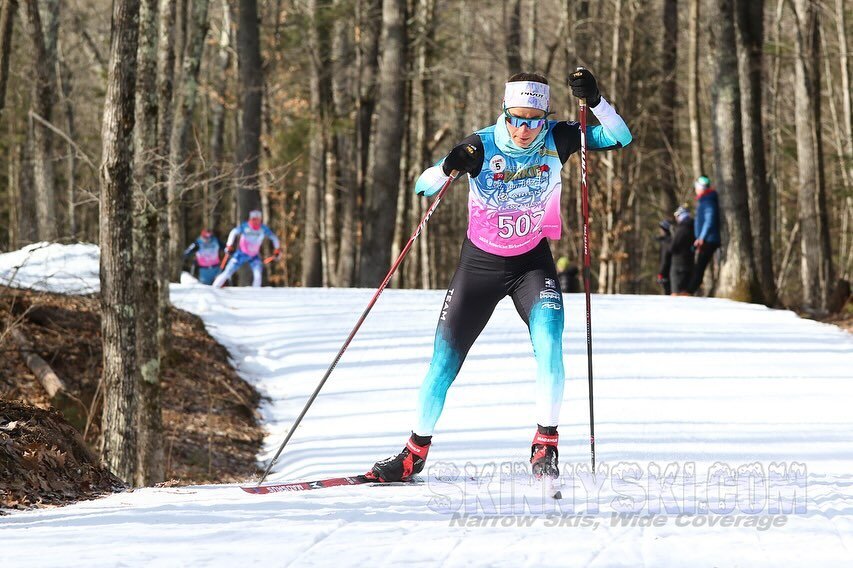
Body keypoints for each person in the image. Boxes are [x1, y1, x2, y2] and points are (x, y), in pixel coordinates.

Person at [367, 69, 632, 482]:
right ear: (503, 113)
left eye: (533, 120)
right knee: (444, 361)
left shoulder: (557, 139)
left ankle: (545, 445)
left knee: (551, 344)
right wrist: (449, 164)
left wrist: (596, 101)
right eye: (516, 119)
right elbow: (423, 186)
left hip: (531, 264)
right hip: (480, 267)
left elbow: (620, 138)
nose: (525, 130)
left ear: (544, 118)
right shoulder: (481, 144)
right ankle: (413, 454)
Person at [212, 210, 281, 288]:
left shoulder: (263, 229)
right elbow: (233, 232)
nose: (256, 222)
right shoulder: (245, 227)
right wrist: (229, 245)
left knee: (258, 275)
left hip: (254, 256)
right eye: (254, 219)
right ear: (250, 219)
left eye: (258, 220)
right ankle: (214, 288)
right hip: (241, 254)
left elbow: (274, 237)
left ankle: (255, 294)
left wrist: (277, 249)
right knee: (228, 272)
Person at [687, 176, 721, 295]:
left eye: (697, 187)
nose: (695, 189)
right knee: (699, 266)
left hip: (709, 239)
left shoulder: (708, 200)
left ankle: (689, 291)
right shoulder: (704, 199)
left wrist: (702, 237)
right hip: (706, 239)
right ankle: (690, 290)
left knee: (700, 266)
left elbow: (709, 219)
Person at [669, 206, 695, 296]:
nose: (676, 219)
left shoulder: (682, 228)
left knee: (678, 291)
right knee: (685, 289)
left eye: (677, 216)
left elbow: (674, 245)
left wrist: (670, 247)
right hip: (690, 260)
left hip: (679, 262)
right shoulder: (693, 226)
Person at [656, 220, 672, 295]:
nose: (659, 231)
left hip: (666, 272)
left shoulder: (666, 242)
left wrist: (661, 273)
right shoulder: (667, 240)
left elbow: (664, 258)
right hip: (668, 271)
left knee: (668, 292)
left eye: (660, 229)